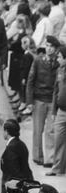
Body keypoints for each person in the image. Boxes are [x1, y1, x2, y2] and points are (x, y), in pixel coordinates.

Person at [26, 35, 59, 167]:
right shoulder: (38, 60)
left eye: (52, 47)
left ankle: (49, 158)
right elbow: (30, 80)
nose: (49, 49)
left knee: (50, 130)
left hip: (52, 99)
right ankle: (37, 156)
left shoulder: (58, 62)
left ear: (56, 49)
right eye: (48, 46)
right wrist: (29, 101)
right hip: (39, 99)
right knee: (38, 129)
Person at [0, 119, 33, 193]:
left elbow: (13, 172)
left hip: (14, 188)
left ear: (6, 132)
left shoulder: (11, 148)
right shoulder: (21, 144)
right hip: (25, 181)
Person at [48, 44, 66, 176]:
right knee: (58, 140)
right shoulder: (59, 70)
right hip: (61, 110)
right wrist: (54, 111)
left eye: (60, 57)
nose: (58, 59)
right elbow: (56, 91)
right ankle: (57, 168)